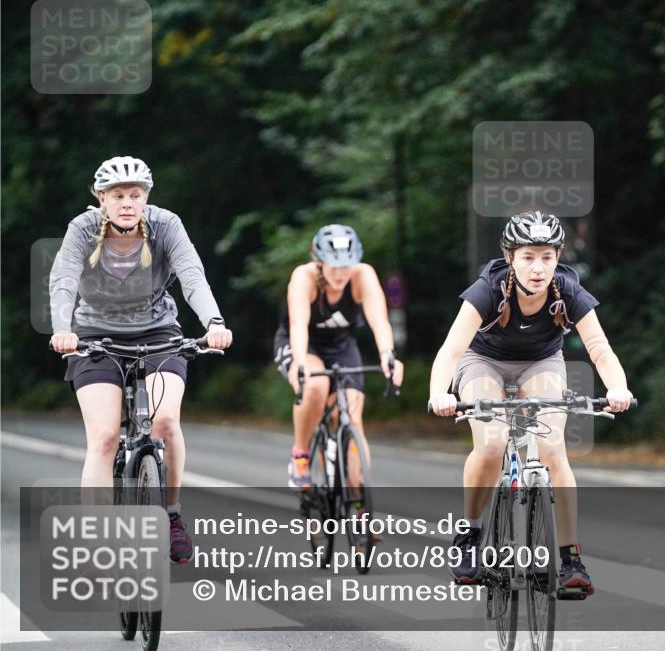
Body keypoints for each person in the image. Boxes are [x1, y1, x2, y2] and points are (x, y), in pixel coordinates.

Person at [428, 211, 632, 599]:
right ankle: (470, 533)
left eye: (547, 257)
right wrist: (441, 392)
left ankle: (570, 558)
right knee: (490, 442)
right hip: (482, 362)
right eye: (528, 257)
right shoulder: (487, 291)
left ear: (558, 258)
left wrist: (618, 387)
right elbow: (451, 350)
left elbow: (599, 349)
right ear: (511, 258)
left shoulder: (568, 291)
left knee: (553, 448)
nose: (538, 268)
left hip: (541, 362)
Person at [49, 155, 233, 564]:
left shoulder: (166, 225)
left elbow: (191, 274)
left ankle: (171, 515)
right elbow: (62, 280)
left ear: (146, 196)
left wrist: (214, 321)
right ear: (102, 198)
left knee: (166, 422)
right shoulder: (81, 230)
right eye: (118, 195)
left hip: (158, 332)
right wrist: (63, 329)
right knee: (104, 438)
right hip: (95, 337)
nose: (127, 202)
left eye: (136, 194)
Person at [274, 224, 404, 491]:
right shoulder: (304, 278)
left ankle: (359, 506)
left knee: (353, 419)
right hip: (302, 344)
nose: (341, 273)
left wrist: (388, 356)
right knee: (316, 387)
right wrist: (299, 364)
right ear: (319, 262)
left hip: (341, 345)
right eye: (334, 266)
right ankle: (300, 454)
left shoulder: (362, 275)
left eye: (347, 265)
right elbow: (298, 324)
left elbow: (380, 321)